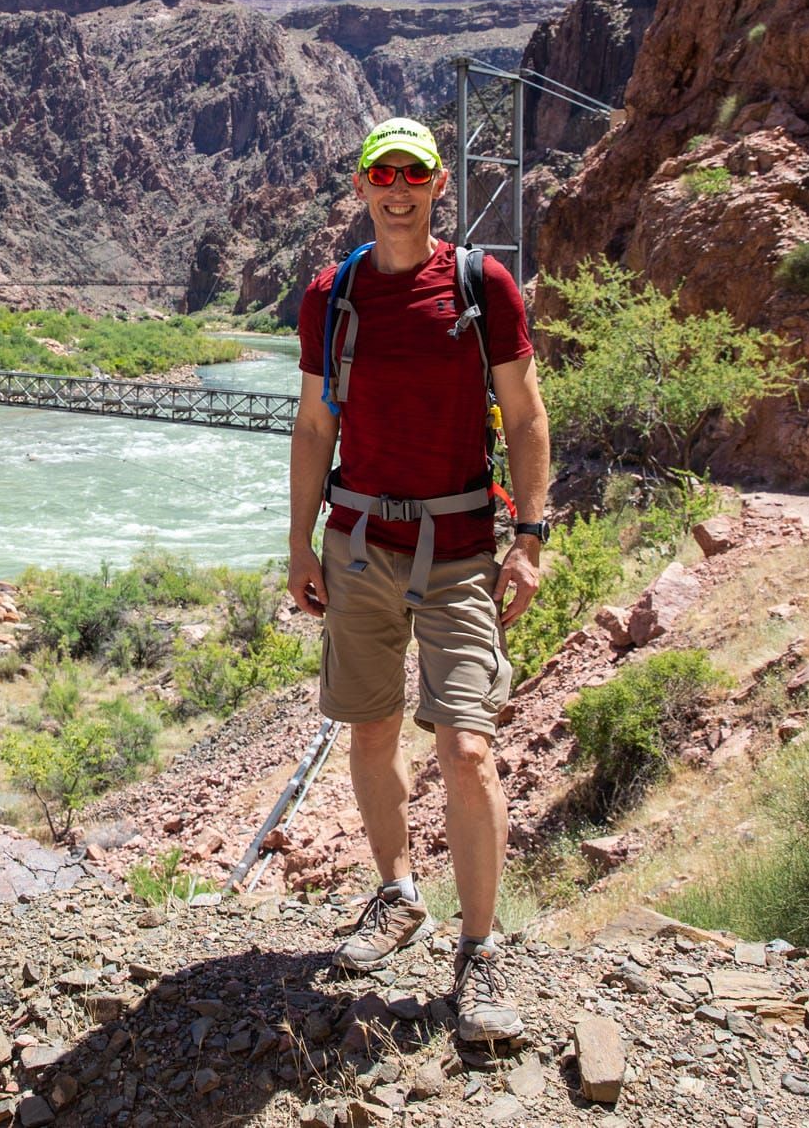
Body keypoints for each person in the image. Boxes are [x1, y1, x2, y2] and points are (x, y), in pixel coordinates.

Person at [287, 116, 550, 1044]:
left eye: (414, 172)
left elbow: (523, 414)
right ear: (361, 185)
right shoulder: (334, 294)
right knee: (371, 729)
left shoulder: (484, 285)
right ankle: (398, 894)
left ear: (440, 184)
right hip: (356, 541)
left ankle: (480, 952)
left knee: (468, 749)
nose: (397, 187)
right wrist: (299, 540)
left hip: (463, 548)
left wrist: (531, 536)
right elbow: (316, 427)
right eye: (381, 172)